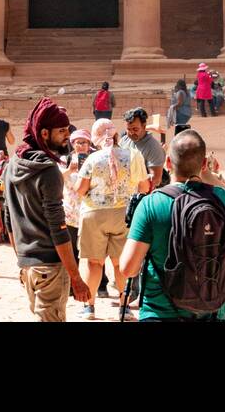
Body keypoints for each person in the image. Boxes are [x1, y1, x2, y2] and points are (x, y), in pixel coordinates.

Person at [119, 129, 225, 322]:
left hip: (161, 311)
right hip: (211, 309)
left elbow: (128, 269)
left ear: (168, 163)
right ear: (204, 164)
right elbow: (217, 186)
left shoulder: (151, 204)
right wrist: (205, 171)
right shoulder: (222, 199)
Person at [4, 97, 91, 322]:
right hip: (50, 267)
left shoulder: (14, 163)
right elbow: (58, 228)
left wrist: (21, 258)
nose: (67, 137)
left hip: (28, 266)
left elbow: (8, 217)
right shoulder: (48, 171)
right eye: (61, 131)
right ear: (44, 133)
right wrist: (76, 278)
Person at [74, 119, 150, 318]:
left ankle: (89, 307)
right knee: (120, 263)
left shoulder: (91, 159)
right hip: (123, 215)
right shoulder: (134, 156)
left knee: (94, 263)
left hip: (94, 214)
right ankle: (124, 307)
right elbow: (144, 188)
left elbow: (81, 190)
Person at [60, 129, 93, 260]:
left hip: (89, 210)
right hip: (70, 212)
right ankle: (74, 279)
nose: (81, 145)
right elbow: (57, 178)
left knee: (94, 251)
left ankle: (101, 279)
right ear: (73, 144)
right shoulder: (65, 159)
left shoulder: (94, 159)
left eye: (84, 142)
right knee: (72, 250)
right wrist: (69, 170)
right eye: (78, 142)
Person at [121, 107, 166, 188]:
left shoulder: (153, 147)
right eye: (128, 129)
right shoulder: (124, 140)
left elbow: (155, 179)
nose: (131, 132)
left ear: (144, 126)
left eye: (135, 129)